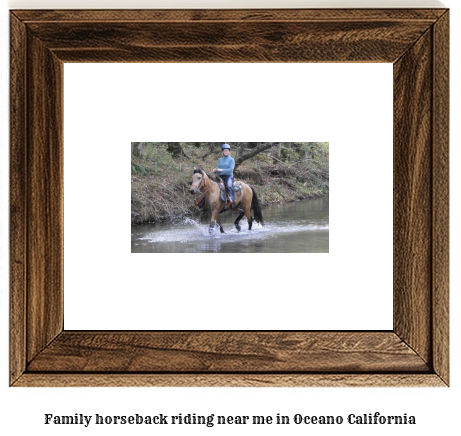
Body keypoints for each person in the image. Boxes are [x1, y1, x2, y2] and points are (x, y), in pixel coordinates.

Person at [214, 143, 235, 208]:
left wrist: (222, 170)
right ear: (222, 151)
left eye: (227, 150)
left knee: (228, 186)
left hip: (229, 176)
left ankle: (232, 200)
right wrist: (215, 169)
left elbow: (231, 169)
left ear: (229, 151)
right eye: (224, 150)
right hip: (220, 176)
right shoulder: (220, 160)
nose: (225, 151)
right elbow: (218, 167)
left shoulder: (231, 159)